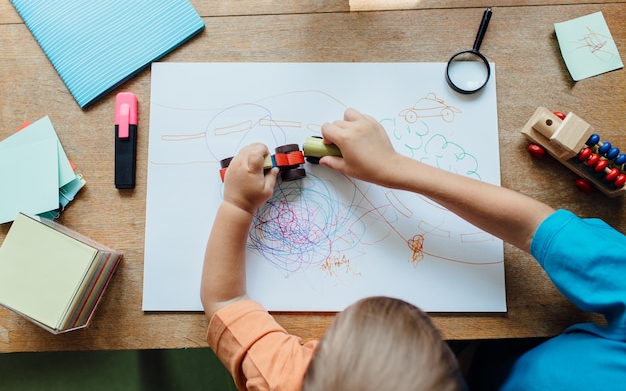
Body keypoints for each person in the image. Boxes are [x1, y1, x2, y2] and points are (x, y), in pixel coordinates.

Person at [201, 108, 626, 391]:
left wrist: (236, 205)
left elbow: (225, 299)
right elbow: (538, 227)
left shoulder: (287, 381)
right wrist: (396, 168)